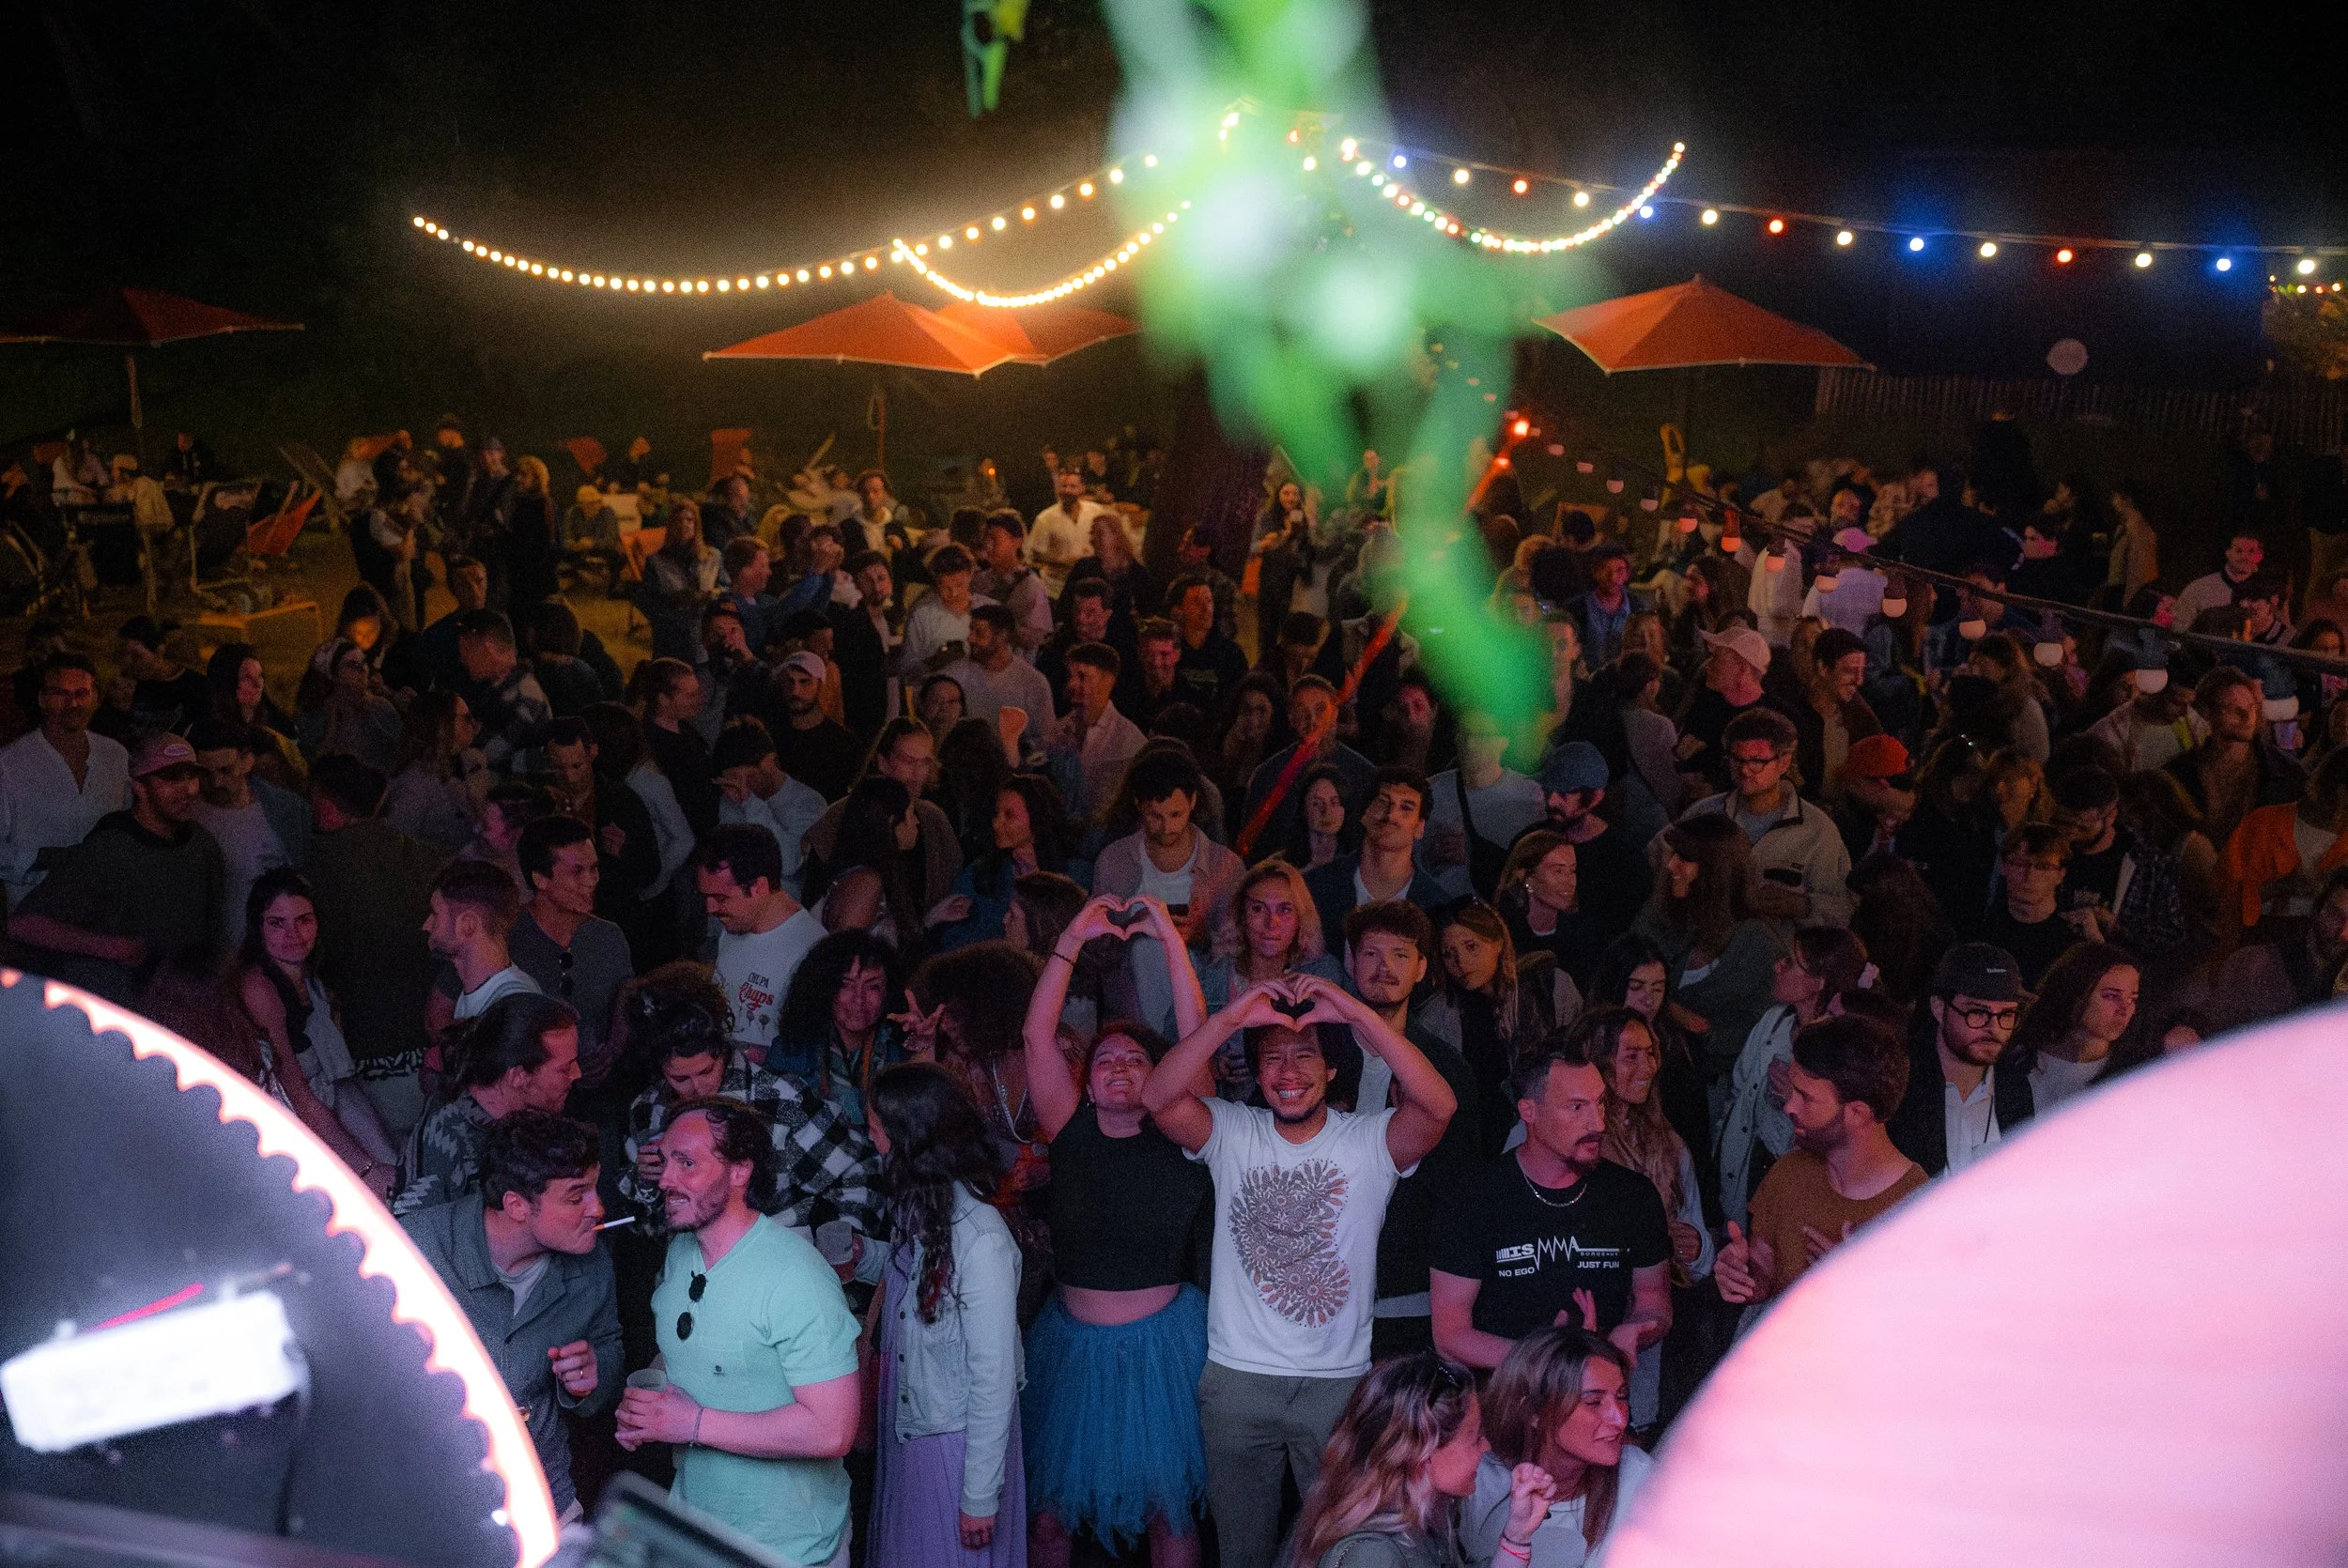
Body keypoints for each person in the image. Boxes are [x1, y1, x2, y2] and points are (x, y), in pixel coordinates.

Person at [1140, 971, 1458, 1568]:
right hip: (1236, 1380)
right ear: (1257, 1075)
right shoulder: (1233, 1129)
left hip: (1337, 1384)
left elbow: (1439, 1106)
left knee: (1334, 1549)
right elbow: (1158, 1097)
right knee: (1242, 1552)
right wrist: (1232, 1018)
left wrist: (1355, 1013)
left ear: (1333, 1068)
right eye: (1273, 1058)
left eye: (1305, 1055)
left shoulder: (1368, 1142)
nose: (1288, 1072)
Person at [1016, 920, 1213, 1568]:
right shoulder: (1068, 1131)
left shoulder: (1186, 1135)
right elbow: (1035, 1036)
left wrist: (1170, 939)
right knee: (1047, 1521)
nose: (1121, 1067)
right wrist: (1070, 936)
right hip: (1070, 1353)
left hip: (1163, 1350)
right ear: (1088, 1080)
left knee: (1169, 1514)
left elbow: (1197, 1036)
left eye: (1137, 1059)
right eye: (1106, 1060)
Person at [617, 1099, 863, 1568]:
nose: (666, 1179)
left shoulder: (796, 1277)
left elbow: (834, 1430)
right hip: (692, 1532)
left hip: (787, 1550)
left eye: (687, 1163)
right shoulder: (679, 1254)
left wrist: (690, 1423)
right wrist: (650, 1405)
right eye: (666, 1160)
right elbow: (686, 1350)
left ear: (739, 1172)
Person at [399, 1110, 621, 1522]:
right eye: (577, 1196)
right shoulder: (416, 1248)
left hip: (543, 1499)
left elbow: (608, 1346)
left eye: (595, 1189)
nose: (598, 1208)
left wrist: (594, 1374)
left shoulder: (591, 1266)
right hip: (433, 1505)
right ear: (517, 1206)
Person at [1429, 1031, 1671, 1374]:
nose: (1598, 1123)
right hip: (1506, 1407)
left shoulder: (1632, 1195)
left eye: (1600, 1102)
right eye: (1576, 1107)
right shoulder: (1474, 1197)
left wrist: (1633, 1330)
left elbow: (1654, 1302)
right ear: (1529, 1111)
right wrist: (1550, 1363)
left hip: (1599, 1404)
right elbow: (1451, 1335)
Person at [862, 1063, 1028, 1564]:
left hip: (953, 1450)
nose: (870, 1140)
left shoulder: (981, 1241)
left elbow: (993, 1379)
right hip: (913, 1431)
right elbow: (911, 1282)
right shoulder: (921, 1206)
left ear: (906, 1139)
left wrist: (979, 1497)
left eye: (875, 1129)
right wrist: (863, 1254)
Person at [620, 965, 886, 1253]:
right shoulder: (647, 1111)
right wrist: (645, 1183)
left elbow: (858, 1169)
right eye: (680, 1078)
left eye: (707, 1070)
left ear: (722, 1048)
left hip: (780, 1261)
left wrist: (841, 1245)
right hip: (695, 1271)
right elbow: (647, 1228)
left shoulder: (782, 1099)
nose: (697, 1088)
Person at [1336, 901, 1484, 1360]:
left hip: (1409, 1300)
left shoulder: (1447, 1071)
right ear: (1349, 962)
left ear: (1422, 968)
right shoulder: (1311, 1056)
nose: (1384, 968)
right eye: (1371, 954)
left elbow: (1463, 1190)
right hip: (1318, 1293)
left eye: (1400, 955)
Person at [1715, 1013, 1928, 1311]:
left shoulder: (1921, 1210)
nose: (1789, 1106)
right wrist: (1742, 1275)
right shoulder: (1789, 1171)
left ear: (1857, 1113)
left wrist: (1856, 1291)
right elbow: (1764, 1267)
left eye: (1805, 1097)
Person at [8, 731, 224, 1007]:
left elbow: (211, 939)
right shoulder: (108, 851)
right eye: (171, 778)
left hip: (177, 1013)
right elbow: (24, 925)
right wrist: (108, 947)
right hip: (111, 1015)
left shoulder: (203, 846)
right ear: (139, 787)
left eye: (191, 776)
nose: (189, 789)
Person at [1289, 1350, 1555, 1568]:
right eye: (1474, 1438)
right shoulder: (1373, 1555)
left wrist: (1518, 1534)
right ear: (1421, 1454)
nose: (1486, 1447)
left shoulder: (1425, 1523)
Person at [237, 867, 401, 1176]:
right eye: (276, 923)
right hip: (292, 1135)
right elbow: (300, 1098)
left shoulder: (316, 983)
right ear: (258, 927)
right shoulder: (259, 989)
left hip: (333, 1113)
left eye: (304, 921)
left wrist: (385, 1159)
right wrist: (368, 1169)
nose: (293, 936)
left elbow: (343, 1087)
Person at [1717, 928, 1871, 1226]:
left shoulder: (1841, 1049)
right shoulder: (1773, 1022)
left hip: (1795, 1197)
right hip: (1742, 1179)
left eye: (1790, 961)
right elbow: (1737, 1093)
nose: (1777, 966)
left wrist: (1797, 1098)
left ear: (1818, 982)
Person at [1090, 748, 1244, 1035]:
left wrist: (1200, 937)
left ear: (1193, 802)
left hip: (1204, 1017)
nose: (1167, 827)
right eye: (1155, 816)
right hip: (1131, 1019)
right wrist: (1132, 932)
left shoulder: (1224, 867)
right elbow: (1095, 950)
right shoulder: (1114, 862)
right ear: (1138, 805)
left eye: (1176, 815)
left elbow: (1241, 953)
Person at [1467, 1329, 1647, 1568]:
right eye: (1594, 1402)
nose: (1620, 1419)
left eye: (1622, 1397)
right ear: (1534, 1412)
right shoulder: (1476, 1483)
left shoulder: (1639, 1476)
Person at [394, 992, 582, 1214]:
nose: (577, 1074)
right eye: (564, 1068)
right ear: (518, 1077)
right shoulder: (447, 1142)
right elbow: (418, 1236)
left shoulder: (528, 1118)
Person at [1676, 706, 1855, 928]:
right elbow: (1661, 868)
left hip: (1779, 956)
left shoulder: (1817, 831)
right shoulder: (1703, 815)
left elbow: (1844, 906)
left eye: (1757, 761)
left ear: (1784, 762)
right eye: (1737, 759)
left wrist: (1803, 906)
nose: (1745, 770)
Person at [1635, 817, 1785, 1077]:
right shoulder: (1657, 918)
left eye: (1684, 858)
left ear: (1715, 870)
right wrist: (1671, 1011)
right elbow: (1618, 974)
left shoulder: (1757, 945)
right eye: (1673, 855)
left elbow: (1765, 1027)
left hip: (1716, 1083)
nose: (1671, 865)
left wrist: (1705, 1033)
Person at [1423, 902, 1575, 1157]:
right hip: (1479, 1146)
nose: (1461, 962)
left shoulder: (1550, 987)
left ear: (1497, 942)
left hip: (1553, 1130)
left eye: (1471, 947)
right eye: (1449, 954)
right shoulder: (1438, 1017)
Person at [1195, 861, 1346, 1099]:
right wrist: (1211, 1067)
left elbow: (1344, 1054)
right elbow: (1171, 1046)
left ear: (1300, 918)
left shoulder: (1321, 974)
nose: (1271, 923)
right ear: (1241, 915)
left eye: (1285, 909)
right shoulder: (1212, 977)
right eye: (1258, 909)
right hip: (1224, 1113)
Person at [1885, 943, 2036, 1177]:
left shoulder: (2015, 1088)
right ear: (1938, 1007)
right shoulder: (1895, 1080)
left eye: (2006, 1014)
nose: (1993, 1028)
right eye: (1977, 1012)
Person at [0, 653, 129, 909]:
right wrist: (43, 858)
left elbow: (128, 826)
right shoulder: (9, 764)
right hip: (37, 913)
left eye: (81, 693)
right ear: (42, 699)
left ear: (95, 698)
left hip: (104, 909)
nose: (72, 703)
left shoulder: (115, 755)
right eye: (61, 693)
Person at [509, 815, 632, 1068]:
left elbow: (626, 999)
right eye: (577, 871)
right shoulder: (504, 937)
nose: (591, 881)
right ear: (540, 879)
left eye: (594, 868)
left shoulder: (608, 937)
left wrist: (614, 1048)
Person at [694, 822, 826, 1055]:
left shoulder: (813, 951)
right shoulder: (735, 923)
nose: (710, 908)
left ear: (758, 886)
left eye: (720, 897)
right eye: (705, 897)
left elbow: (811, 1050)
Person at [1302, 768, 1451, 961]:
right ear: (1365, 813)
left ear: (1420, 827)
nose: (1391, 815)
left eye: (1406, 808)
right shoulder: (1314, 887)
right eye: (1383, 802)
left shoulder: (1437, 907)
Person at [2164, 665, 2303, 855]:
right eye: (2232, 708)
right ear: (2208, 712)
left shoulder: (2287, 773)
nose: (2246, 717)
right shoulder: (2179, 773)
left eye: (2251, 707)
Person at [187, 717, 306, 941]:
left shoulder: (283, 812)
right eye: (204, 772)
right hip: (195, 951)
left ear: (247, 762)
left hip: (256, 950)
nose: (216, 782)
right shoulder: (183, 809)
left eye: (225, 770)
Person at [1241, 677, 1377, 858]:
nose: (1312, 721)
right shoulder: (1268, 776)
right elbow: (1253, 848)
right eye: (1302, 711)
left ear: (1335, 714)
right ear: (1291, 718)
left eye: (1321, 710)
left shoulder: (1364, 774)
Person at [423, 858, 542, 1053]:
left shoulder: (512, 1006)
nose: (426, 925)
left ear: (468, 925)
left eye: (435, 914)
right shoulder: (481, 994)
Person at [2008, 941, 2139, 1115]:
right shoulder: (2017, 1061)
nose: (2124, 1009)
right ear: (2075, 993)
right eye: (2111, 996)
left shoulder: (2133, 1076)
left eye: (2132, 998)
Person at [1426, 710, 1544, 902]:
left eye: (1482, 736)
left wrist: (1475, 855)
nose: (1470, 744)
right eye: (1465, 734)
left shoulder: (1529, 796)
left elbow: (1537, 864)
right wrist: (1431, 852)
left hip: (1496, 911)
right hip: (1440, 907)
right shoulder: (1431, 790)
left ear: (1503, 742)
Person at [1043, 642, 1146, 827]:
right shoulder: (1058, 730)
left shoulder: (1130, 741)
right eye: (1071, 676)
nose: (1072, 684)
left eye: (1082, 677)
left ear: (1108, 680)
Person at [1973, 822, 2079, 987]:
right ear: (2003, 866)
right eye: (2020, 864)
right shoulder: (1979, 928)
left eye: (2043, 866)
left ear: (2060, 874)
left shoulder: (2074, 938)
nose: (2030, 876)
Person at [940, 603, 1057, 746]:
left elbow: (1046, 737)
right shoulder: (957, 672)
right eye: (971, 631)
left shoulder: (1032, 682)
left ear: (1002, 636)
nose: (970, 639)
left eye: (979, 633)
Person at [636, 498, 723, 662]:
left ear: (696, 525)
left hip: (705, 639)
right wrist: (671, 607)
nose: (684, 525)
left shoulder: (712, 558)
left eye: (689, 520)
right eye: (678, 520)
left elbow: (726, 589)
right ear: (671, 526)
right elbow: (646, 601)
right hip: (671, 640)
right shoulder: (657, 562)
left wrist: (711, 595)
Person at [975, 512, 1055, 655]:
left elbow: (1036, 637)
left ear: (1016, 542)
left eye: (995, 539)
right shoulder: (978, 581)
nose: (988, 546)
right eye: (986, 539)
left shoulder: (1031, 585)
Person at [2171, 529, 2265, 631]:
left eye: (2251, 551)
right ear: (2228, 553)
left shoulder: (2267, 592)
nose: (2244, 557)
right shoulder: (2199, 589)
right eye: (2239, 551)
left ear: (2260, 556)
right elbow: (2178, 629)